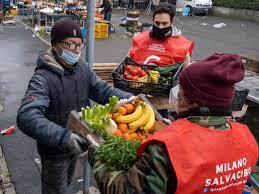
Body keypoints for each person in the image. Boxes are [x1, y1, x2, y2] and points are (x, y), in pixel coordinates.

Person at [88, 53, 258, 193]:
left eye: (181, 91)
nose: (178, 96)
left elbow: (123, 190)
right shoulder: (247, 139)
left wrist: (97, 155)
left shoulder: (167, 148)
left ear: (192, 101)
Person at [16, 18, 132, 194]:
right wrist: (64, 137)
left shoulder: (82, 68)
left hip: (78, 143)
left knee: (68, 183)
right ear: (55, 44)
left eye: (80, 45)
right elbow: (26, 116)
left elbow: (103, 91)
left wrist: (131, 98)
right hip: (55, 149)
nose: (76, 50)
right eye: (71, 44)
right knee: (56, 189)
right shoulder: (43, 78)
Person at [129, 3, 194, 66]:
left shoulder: (183, 46)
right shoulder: (139, 39)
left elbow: (185, 72)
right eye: (157, 23)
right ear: (152, 20)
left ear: (172, 22)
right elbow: (127, 61)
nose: (160, 27)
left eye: (165, 23)